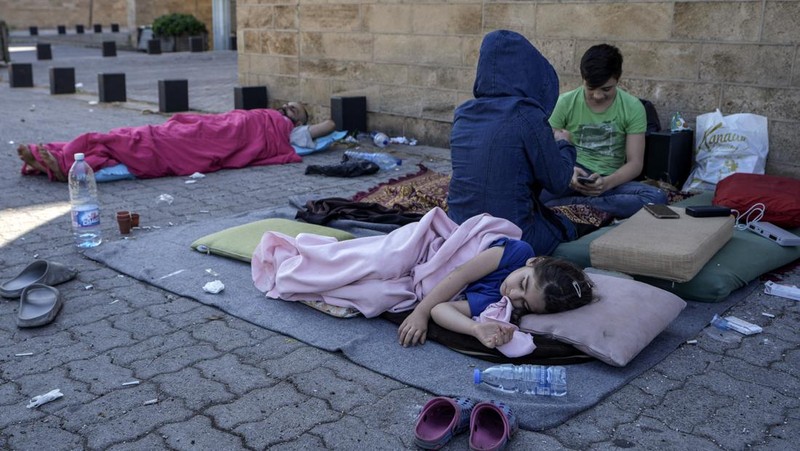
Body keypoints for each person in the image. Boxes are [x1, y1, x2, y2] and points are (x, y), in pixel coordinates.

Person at [250, 207, 594, 355]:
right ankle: (301, 260)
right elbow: (459, 272)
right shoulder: (517, 252)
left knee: (376, 295)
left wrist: (477, 329)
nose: (513, 294)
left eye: (522, 303)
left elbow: (446, 307)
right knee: (386, 259)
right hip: (426, 247)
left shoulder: (501, 304)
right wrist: (419, 313)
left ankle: (309, 278)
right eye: (522, 284)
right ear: (533, 264)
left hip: (424, 280)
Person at [447, 30, 579, 257]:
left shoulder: (463, 113)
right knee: (569, 224)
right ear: (530, 72)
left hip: (459, 232)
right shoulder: (527, 115)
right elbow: (557, 181)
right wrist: (564, 145)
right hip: (512, 239)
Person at [17, 102, 336, 182]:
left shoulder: (289, 132)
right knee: (139, 136)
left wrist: (309, 121)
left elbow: (331, 126)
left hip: (216, 140)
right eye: (289, 104)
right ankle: (61, 154)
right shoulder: (262, 113)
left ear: (298, 122)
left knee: (143, 143)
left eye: (296, 110)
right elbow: (226, 120)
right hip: (210, 128)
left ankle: (60, 159)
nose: (288, 108)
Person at [542, 44, 667, 218]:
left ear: (618, 78)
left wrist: (606, 184)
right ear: (583, 79)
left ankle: (567, 208)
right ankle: (590, 209)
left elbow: (635, 163)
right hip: (571, 177)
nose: (598, 96)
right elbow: (545, 152)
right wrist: (569, 173)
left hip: (610, 181)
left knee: (656, 197)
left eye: (606, 89)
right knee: (530, 193)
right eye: (591, 89)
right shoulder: (564, 102)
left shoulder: (633, 107)